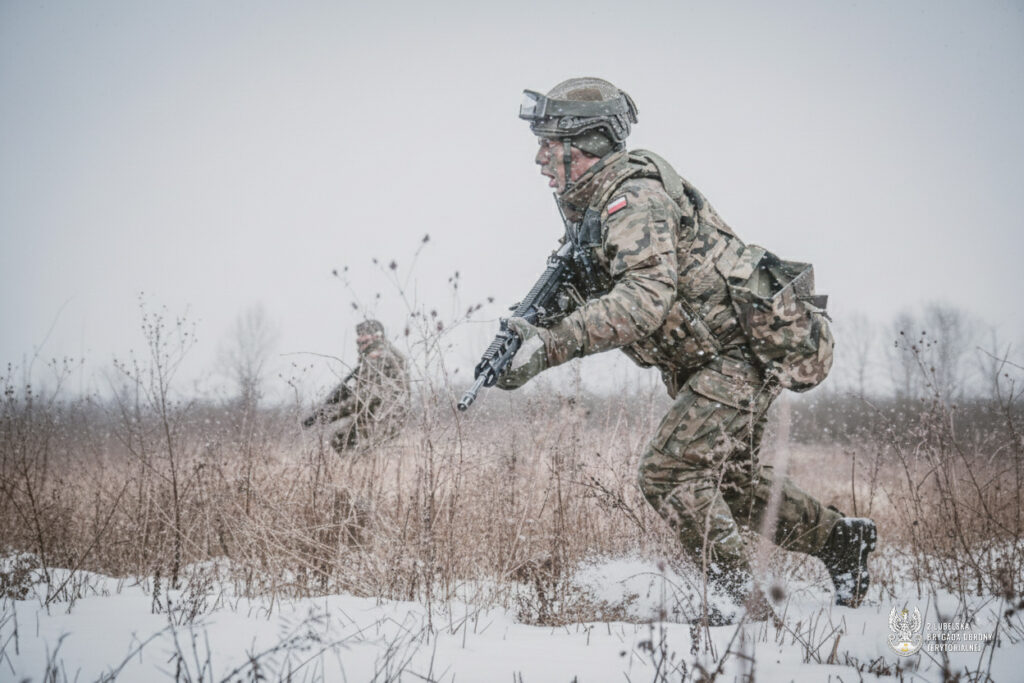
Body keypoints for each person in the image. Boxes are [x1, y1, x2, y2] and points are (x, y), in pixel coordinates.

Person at [498, 77, 876, 621]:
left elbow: (642, 301)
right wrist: (529, 334)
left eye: (549, 144)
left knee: (669, 472)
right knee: (731, 483)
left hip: (739, 355)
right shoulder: (596, 209)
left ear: (586, 144)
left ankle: (742, 610)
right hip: (713, 360)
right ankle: (842, 542)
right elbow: (602, 288)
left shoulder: (634, 199)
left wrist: (550, 345)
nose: (539, 158)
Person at [303, 319, 409, 453]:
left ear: (376, 336)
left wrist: (331, 414)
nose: (358, 339)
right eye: (359, 335)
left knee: (345, 442)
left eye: (363, 334)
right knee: (342, 438)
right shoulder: (387, 354)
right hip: (388, 417)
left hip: (382, 418)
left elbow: (364, 397)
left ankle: (362, 465)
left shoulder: (377, 358)